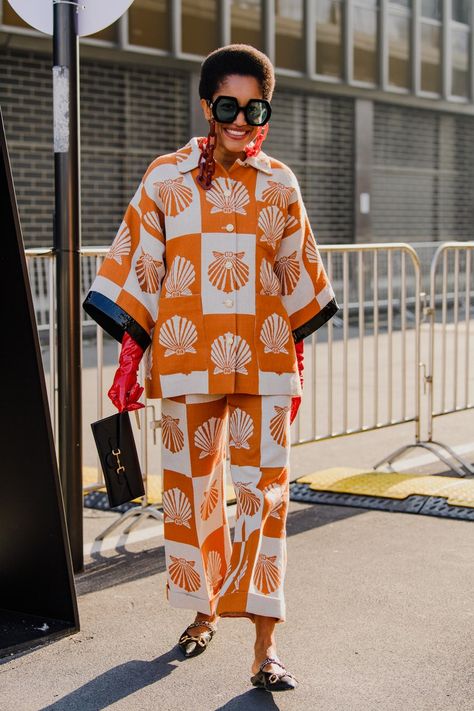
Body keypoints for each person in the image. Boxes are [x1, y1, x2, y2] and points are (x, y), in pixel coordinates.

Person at [83, 44, 338, 692]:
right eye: (229, 104)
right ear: (206, 105)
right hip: (185, 355)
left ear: (266, 112)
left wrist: (299, 366)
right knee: (192, 496)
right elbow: (141, 267)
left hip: (266, 361)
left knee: (265, 499)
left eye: (255, 107)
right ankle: (203, 611)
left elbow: (298, 282)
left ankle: (265, 646)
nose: (241, 119)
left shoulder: (281, 183)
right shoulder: (165, 177)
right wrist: (128, 361)